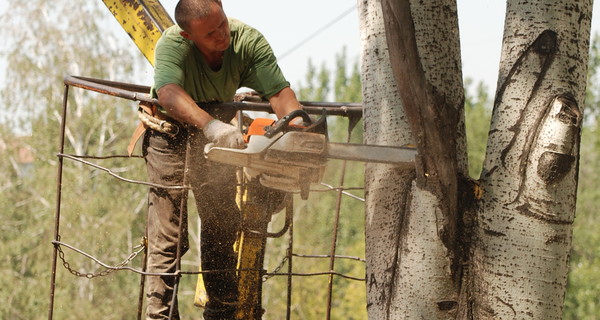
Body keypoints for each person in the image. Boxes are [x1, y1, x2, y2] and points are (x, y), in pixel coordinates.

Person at [143, 0, 303, 319]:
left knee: (222, 224)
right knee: (169, 236)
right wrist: (210, 125)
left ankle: (222, 313)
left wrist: (298, 129)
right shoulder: (173, 44)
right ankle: (159, 316)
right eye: (211, 33)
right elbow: (168, 92)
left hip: (219, 134)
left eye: (223, 24)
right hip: (170, 134)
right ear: (189, 36)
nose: (222, 35)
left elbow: (279, 93)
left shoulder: (247, 41)